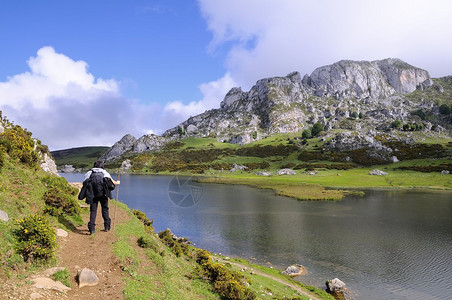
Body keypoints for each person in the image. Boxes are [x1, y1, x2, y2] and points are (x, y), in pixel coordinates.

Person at [81, 160, 120, 235]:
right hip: (103, 195)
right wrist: (118, 182)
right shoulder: (105, 173)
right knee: (105, 209)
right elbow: (113, 183)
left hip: (92, 195)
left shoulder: (89, 173)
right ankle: (107, 226)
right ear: (102, 166)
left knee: (93, 211)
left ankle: (92, 229)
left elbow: (85, 183)